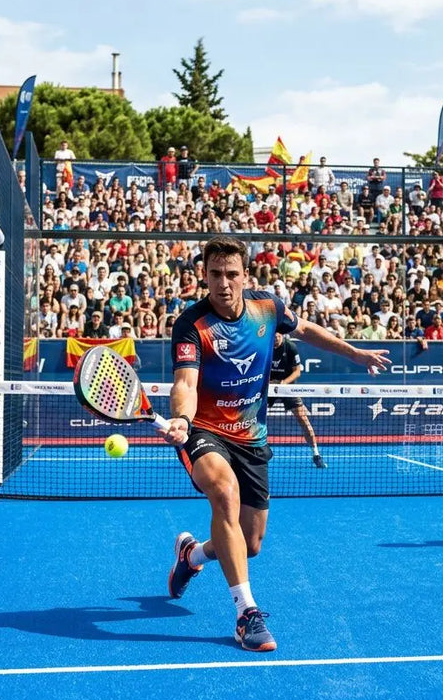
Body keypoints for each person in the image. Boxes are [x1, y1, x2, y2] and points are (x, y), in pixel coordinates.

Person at [163, 236, 390, 652]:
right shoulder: (191, 325)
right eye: (215, 274)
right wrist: (180, 417)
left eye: (232, 274)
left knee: (249, 544)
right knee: (224, 493)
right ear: (205, 275)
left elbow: (306, 330)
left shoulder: (268, 307)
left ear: (245, 275)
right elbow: (185, 383)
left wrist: (354, 353)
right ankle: (245, 613)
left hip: (251, 436)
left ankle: (192, 556)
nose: (224, 283)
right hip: (204, 429)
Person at [268, 330, 327, 468]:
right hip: (269, 386)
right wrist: (268, 383)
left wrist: (283, 384)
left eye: (278, 336)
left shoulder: (290, 347)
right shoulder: (266, 345)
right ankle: (258, 449)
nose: (276, 339)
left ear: (281, 335)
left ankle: (316, 454)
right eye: (274, 336)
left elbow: (297, 372)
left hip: (287, 386)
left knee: (303, 419)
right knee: (256, 418)